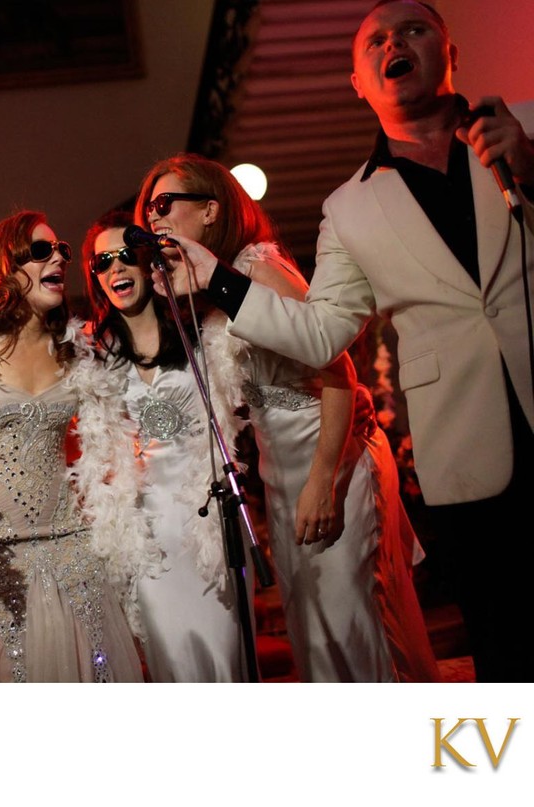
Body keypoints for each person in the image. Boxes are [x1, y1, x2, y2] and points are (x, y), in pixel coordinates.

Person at [166, 0, 533, 682]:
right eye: (376, 40)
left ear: (449, 52)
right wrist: (217, 279)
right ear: (358, 83)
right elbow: (320, 332)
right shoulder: (349, 208)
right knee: (507, 644)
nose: (396, 42)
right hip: (469, 447)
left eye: (414, 29)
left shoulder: (526, 128)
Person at [140, 153, 440, 682]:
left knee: (355, 621)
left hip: (332, 464)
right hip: (284, 477)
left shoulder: (259, 267)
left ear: (210, 209)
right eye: (149, 210)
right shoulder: (213, 289)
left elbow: (339, 374)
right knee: (315, 627)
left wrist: (323, 481)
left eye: (164, 204)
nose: (154, 218)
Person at [0, 210, 158, 683]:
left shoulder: (79, 350)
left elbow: (112, 439)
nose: (59, 258)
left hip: (75, 555)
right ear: (5, 266)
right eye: (42, 251)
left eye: (62, 251)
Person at [81, 209, 251, 682]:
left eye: (124, 256)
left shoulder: (202, 330)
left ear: (147, 262)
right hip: (147, 540)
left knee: (223, 658)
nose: (115, 268)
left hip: (209, 529)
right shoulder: (95, 359)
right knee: (172, 664)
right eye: (102, 263)